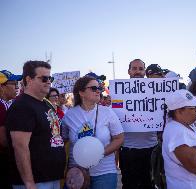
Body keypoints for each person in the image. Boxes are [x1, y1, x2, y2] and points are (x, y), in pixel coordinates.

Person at [5, 61, 66, 189]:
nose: (49, 82)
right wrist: (29, 182)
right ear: (29, 79)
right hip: (36, 181)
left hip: (51, 177)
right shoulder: (22, 106)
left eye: (50, 78)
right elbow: (20, 147)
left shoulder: (44, 104)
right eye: (44, 78)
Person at [62, 76, 124, 189]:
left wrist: (100, 153)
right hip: (77, 173)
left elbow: (119, 138)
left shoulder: (108, 112)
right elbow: (63, 140)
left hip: (104, 172)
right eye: (94, 88)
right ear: (81, 92)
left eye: (99, 88)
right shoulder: (69, 116)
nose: (98, 91)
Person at [119, 59, 157, 189]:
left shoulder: (155, 90)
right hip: (128, 149)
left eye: (140, 69)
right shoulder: (119, 92)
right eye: (134, 68)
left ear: (145, 72)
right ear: (129, 71)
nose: (137, 72)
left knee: (150, 184)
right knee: (129, 185)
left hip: (151, 148)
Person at [0, 70, 22, 189]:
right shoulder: (0, 107)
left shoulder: (8, 103)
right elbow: (3, 140)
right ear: (2, 86)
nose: (17, 87)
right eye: (13, 83)